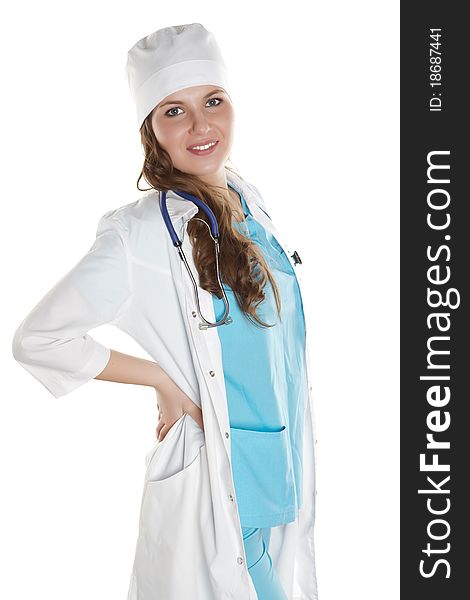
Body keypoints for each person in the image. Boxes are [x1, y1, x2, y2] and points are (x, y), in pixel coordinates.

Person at [11, 23, 319, 600]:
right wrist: (161, 379)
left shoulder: (249, 199)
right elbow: (39, 338)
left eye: (213, 101)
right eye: (174, 111)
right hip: (217, 480)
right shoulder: (139, 235)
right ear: (151, 130)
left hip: (275, 465)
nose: (201, 126)